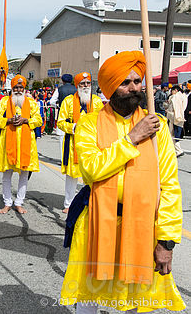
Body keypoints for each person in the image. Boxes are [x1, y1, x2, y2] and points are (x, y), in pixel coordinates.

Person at [61, 51, 185, 313]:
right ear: (109, 87)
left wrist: (166, 241)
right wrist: (131, 139)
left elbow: (170, 186)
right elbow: (92, 170)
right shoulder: (88, 124)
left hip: (143, 226)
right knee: (89, 298)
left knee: (134, 301)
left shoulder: (157, 126)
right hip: (96, 222)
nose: (133, 88)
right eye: (125, 82)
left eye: (137, 81)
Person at [0, 75, 42, 214]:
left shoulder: (31, 102)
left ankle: (19, 202)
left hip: (26, 144)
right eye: (16, 87)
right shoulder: (4, 102)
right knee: (7, 174)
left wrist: (26, 120)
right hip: (8, 142)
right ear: (12, 88)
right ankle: (7, 202)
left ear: (24, 88)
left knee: (24, 174)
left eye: (21, 87)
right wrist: (8, 120)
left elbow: (38, 120)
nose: (19, 90)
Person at [57, 72, 103, 214]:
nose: (85, 86)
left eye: (88, 83)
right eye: (82, 84)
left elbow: (103, 121)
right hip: (73, 144)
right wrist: (74, 127)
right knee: (72, 176)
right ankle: (69, 204)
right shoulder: (69, 101)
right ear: (77, 86)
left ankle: (90, 201)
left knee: (92, 174)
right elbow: (60, 122)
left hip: (92, 143)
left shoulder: (96, 101)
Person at [167, 85, 187, 157]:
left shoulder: (176, 97)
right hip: (179, 117)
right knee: (174, 134)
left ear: (175, 90)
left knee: (173, 135)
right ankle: (175, 150)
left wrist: (169, 112)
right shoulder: (183, 96)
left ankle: (178, 150)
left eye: (172, 90)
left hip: (174, 117)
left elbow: (175, 108)